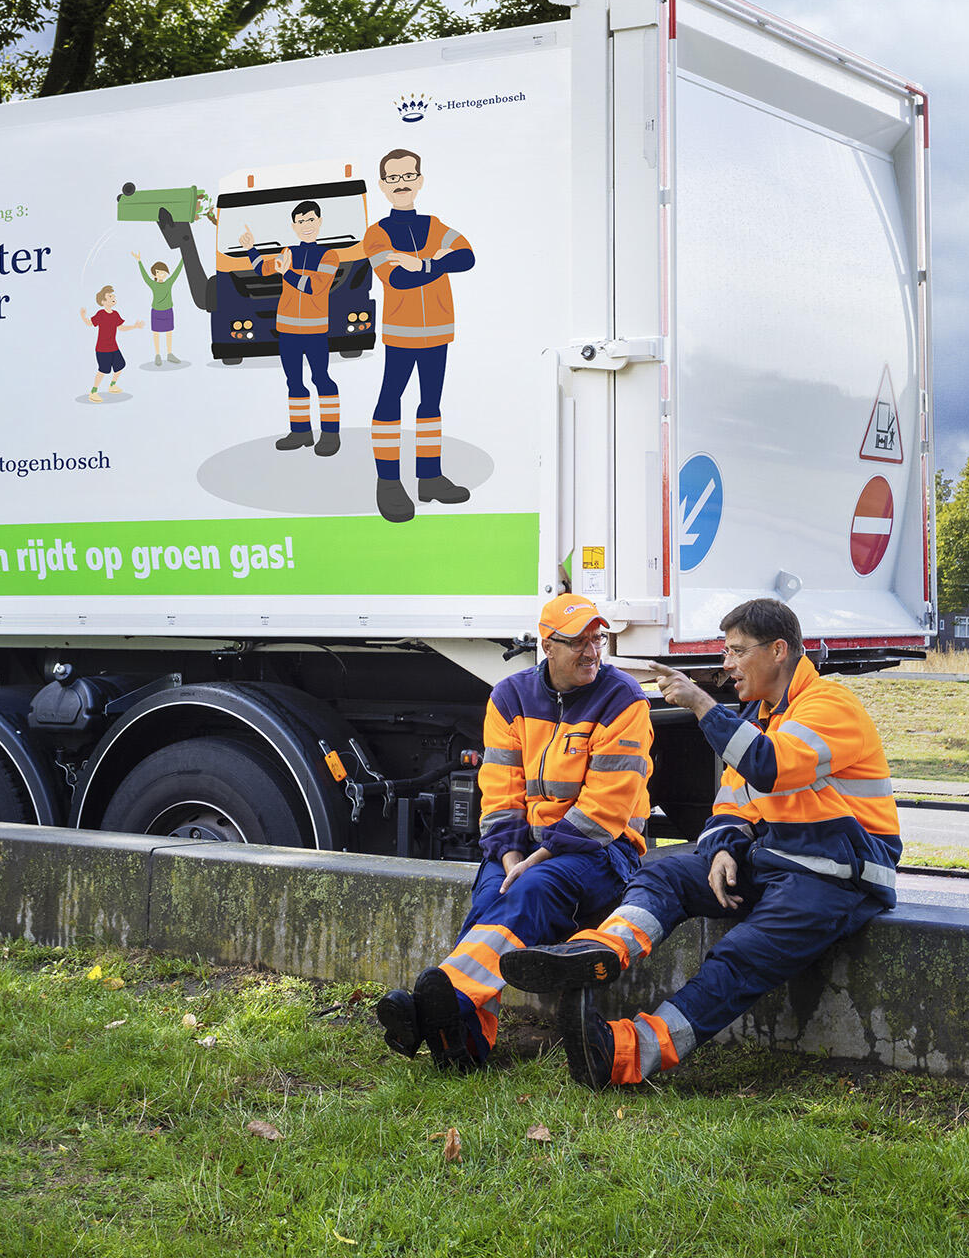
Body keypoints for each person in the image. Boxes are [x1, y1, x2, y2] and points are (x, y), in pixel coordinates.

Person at [503, 598, 899, 1089]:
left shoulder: (830, 704)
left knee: (739, 957)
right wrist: (722, 849)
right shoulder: (762, 714)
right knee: (664, 873)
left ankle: (625, 1056)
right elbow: (731, 802)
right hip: (778, 862)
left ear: (778, 650)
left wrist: (700, 704)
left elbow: (768, 766)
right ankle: (592, 952)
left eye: (736, 651)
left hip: (837, 877)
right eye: (725, 651)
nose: (726, 664)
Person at [374, 593, 652, 1070]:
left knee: (532, 890)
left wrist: (531, 863)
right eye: (579, 642)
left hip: (605, 850)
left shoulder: (623, 699)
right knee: (490, 897)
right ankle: (464, 1046)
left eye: (598, 640)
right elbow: (500, 793)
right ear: (548, 645)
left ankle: (437, 1007)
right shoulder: (509, 697)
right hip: (525, 851)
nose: (592, 652)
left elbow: (604, 811)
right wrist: (508, 858)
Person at [360, 148, 474, 522]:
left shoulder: (435, 225)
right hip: (401, 332)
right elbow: (397, 279)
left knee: (430, 405)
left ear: (420, 180)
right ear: (382, 185)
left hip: (438, 331)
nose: (401, 183)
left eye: (408, 176)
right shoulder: (376, 235)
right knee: (390, 400)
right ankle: (388, 482)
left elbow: (467, 257)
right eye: (393, 178)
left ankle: (429, 477)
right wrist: (437, 262)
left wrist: (422, 263)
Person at [239, 202, 343, 454]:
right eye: (301, 222)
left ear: (320, 222)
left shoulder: (329, 256)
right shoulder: (288, 252)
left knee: (321, 379)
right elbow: (263, 269)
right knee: (294, 381)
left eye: (311, 220)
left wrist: (287, 273)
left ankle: (331, 434)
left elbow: (314, 287)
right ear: (293, 226)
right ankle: (301, 432)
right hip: (287, 331)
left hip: (315, 332)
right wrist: (251, 249)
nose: (306, 226)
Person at [131, 251, 183, 365]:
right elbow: (145, 276)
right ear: (154, 274)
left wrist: (184, 258)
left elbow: (177, 272)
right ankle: (158, 355)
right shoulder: (153, 284)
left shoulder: (169, 283)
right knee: (156, 333)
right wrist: (139, 261)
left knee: (169, 332)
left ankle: (169, 354)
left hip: (168, 310)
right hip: (156, 311)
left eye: (163, 272)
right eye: (159, 272)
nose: (162, 274)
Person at [79, 287, 127, 401]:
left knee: (120, 366)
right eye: (110, 296)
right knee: (103, 371)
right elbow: (90, 323)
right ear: (103, 301)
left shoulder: (115, 314)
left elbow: (121, 328)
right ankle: (93, 392)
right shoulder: (101, 314)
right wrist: (83, 316)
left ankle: (112, 385)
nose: (113, 297)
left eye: (113, 295)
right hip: (102, 349)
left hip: (114, 347)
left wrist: (135, 326)